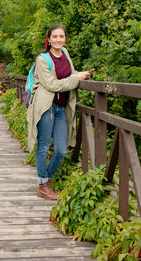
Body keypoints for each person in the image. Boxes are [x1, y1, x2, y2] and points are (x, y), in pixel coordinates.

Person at [27, 25, 91, 199]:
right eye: (55, 36)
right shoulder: (42, 59)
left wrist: (80, 75)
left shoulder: (65, 54)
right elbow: (52, 85)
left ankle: (45, 179)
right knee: (44, 145)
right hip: (46, 106)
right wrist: (74, 79)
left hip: (61, 107)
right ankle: (43, 185)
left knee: (61, 149)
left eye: (61, 36)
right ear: (49, 39)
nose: (58, 40)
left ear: (65, 38)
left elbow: (70, 74)